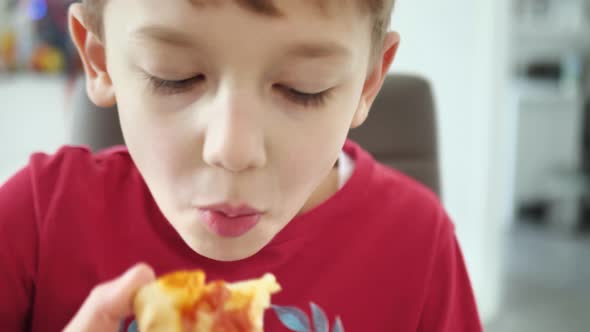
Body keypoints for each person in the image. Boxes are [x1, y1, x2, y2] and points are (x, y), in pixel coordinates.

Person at [0, 0, 483, 331]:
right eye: (176, 76)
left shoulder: (416, 244)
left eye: (303, 87)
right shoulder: (36, 223)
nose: (233, 150)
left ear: (367, 84)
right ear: (100, 61)